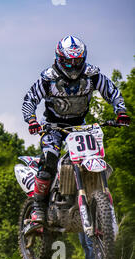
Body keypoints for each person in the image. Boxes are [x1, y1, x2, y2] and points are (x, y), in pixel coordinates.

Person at [21, 35, 130, 234]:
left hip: (80, 126)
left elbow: (112, 93)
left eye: (77, 61)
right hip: (53, 127)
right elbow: (29, 100)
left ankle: (91, 201)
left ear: (83, 58)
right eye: (69, 62)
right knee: (50, 159)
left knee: (92, 157)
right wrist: (32, 120)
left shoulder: (92, 76)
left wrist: (120, 111)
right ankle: (38, 210)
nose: (73, 66)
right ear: (59, 59)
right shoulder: (48, 79)